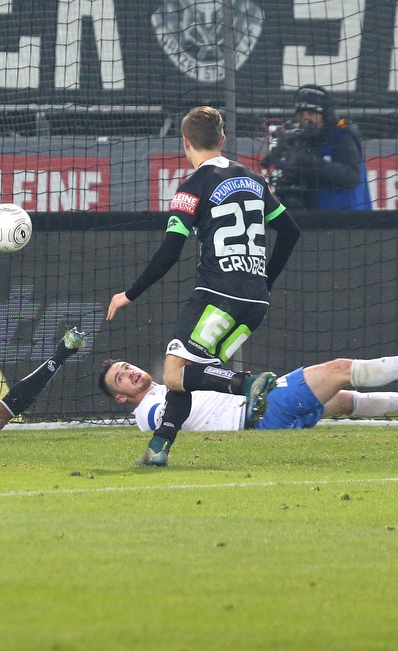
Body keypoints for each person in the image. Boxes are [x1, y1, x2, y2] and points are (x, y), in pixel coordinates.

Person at [106, 105, 301, 466]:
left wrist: (128, 293)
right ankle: (158, 448)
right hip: (256, 303)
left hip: (218, 296)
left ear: (185, 142)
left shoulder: (191, 188)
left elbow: (168, 254)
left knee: (174, 373)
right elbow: (290, 232)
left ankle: (246, 383)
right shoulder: (255, 179)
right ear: (222, 139)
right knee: (190, 373)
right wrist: (265, 281)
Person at [99, 308, 398, 466]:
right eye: (122, 377)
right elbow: (181, 412)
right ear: (121, 397)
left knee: (342, 401)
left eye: (127, 367)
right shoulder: (147, 412)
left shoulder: (170, 383)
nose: (130, 373)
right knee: (338, 371)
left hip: (260, 410)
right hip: (259, 415)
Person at [262, 84, 372, 210]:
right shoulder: (302, 139)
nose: (306, 118)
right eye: (301, 114)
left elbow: (351, 177)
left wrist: (309, 161)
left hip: (347, 218)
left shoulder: (343, 136)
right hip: (315, 215)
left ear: (324, 115)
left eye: (311, 113)